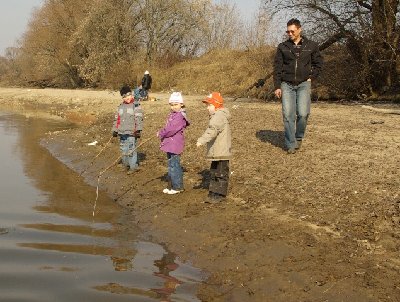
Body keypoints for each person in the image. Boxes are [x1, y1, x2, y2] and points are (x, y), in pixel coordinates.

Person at [273, 18, 323, 154]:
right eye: (287, 31)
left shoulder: (311, 45)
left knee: (303, 114)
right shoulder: (282, 47)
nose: (289, 34)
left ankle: (299, 137)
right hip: (286, 84)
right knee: (288, 115)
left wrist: (311, 77)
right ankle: (290, 143)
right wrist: (277, 86)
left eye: (292, 31)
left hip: (303, 84)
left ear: (299, 30)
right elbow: (277, 68)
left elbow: (319, 64)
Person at [196, 92, 231, 203]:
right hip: (217, 151)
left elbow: (212, 131)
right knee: (214, 171)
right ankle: (213, 191)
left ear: (216, 105)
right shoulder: (216, 115)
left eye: (209, 105)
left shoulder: (219, 116)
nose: (207, 108)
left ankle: (219, 194)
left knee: (220, 173)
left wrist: (201, 140)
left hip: (221, 151)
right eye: (207, 105)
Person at [157, 92, 190, 195]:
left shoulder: (179, 116)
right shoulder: (173, 114)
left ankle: (178, 187)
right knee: (171, 165)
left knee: (174, 165)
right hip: (170, 144)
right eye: (171, 104)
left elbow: (171, 130)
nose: (173, 107)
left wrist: (161, 133)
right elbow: (168, 128)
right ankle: (171, 186)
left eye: (176, 104)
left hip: (175, 144)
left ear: (181, 104)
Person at [112, 84, 143, 174]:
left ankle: (133, 167)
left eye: (129, 95)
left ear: (132, 94)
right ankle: (125, 165)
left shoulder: (136, 105)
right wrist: (114, 130)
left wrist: (138, 129)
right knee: (123, 149)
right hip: (122, 132)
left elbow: (139, 118)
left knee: (131, 149)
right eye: (124, 96)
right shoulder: (120, 107)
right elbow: (116, 120)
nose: (127, 98)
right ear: (122, 98)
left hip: (131, 133)